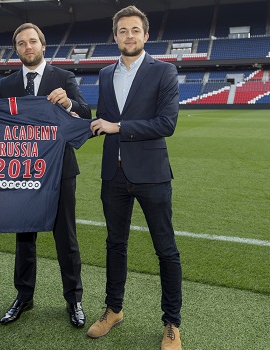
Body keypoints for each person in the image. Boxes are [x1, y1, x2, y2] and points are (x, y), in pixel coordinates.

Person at [0, 22, 91, 328]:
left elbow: (85, 114)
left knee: (66, 237)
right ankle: (24, 296)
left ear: (43, 46)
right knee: (24, 235)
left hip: (59, 170)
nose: (27, 47)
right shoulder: (7, 85)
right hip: (22, 170)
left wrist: (69, 102)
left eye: (32, 41)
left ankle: (74, 299)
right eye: (21, 43)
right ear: (16, 49)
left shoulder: (64, 78)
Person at [87, 6, 182, 350]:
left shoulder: (164, 72)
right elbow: (103, 119)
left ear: (146, 35)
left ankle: (172, 323)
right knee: (115, 244)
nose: (129, 36)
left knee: (166, 249)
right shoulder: (103, 73)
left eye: (135, 30)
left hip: (152, 175)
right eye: (123, 30)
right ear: (115, 37)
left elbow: (166, 124)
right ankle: (113, 310)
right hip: (113, 174)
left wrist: (119, 127)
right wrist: (71, 112)